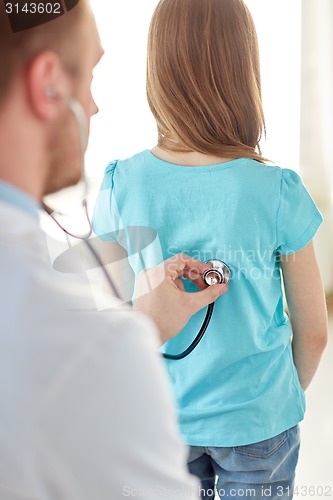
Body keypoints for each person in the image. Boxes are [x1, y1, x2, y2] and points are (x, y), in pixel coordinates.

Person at [92, 0, 329, 498]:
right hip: (258, 420)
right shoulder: (277, 190)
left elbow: (107, 320)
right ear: (245, 71)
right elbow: (314, 333)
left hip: (157, 422)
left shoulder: (122, 185)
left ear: (158, 72)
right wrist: (273, 408)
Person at [0, 1, 228, 499]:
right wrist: (125, 339)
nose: (95, 105)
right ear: (48, 85)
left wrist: (138, 322)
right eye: (91, 77)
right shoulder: (96, 350)